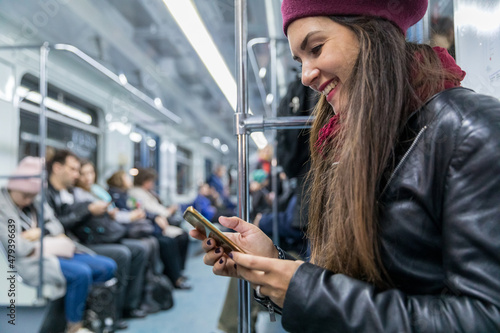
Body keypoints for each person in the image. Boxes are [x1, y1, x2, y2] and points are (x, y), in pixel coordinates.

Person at [191, 0, 500, 332]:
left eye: (316, 48)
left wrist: (307, 292)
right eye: (300, 60)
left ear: (370, 33)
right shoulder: (350, 140)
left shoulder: (471, 131)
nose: (306, 75)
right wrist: (272, 265)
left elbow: (485, 317)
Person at [0, 157, 116, 333]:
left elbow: (56, 225)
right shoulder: (3, 207)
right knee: (81, 274)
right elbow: (17, 248)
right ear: (13, 187)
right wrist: (50, 239)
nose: (28, 200)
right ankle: (74, 325)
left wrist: (40, 234)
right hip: (27, 261)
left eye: (32, 196)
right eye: (25, 195)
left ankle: (84, 311)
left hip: (50, 251)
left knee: (107, 266)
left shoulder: (35, 201)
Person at [46, 150, 149, 323]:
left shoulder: (70, 193)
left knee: (141, 247)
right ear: (57, 168)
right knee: (122, 254)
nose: (77, 175)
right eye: (74, 170)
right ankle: (112, 313)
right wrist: (89, 210)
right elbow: (58, 225)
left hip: (86, 238)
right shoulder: (49, 194)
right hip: (79, 242)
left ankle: (128, 305)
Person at [107, 170, 191, 289]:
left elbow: (141, 211)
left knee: (175, 239)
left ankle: (175, 274)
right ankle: (174, 276)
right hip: (136, 228)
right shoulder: (126, 195)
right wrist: (159, 215)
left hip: (143, 225)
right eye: (126, 177)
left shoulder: (128, 194)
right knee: (166, 242)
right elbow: (135, 212)